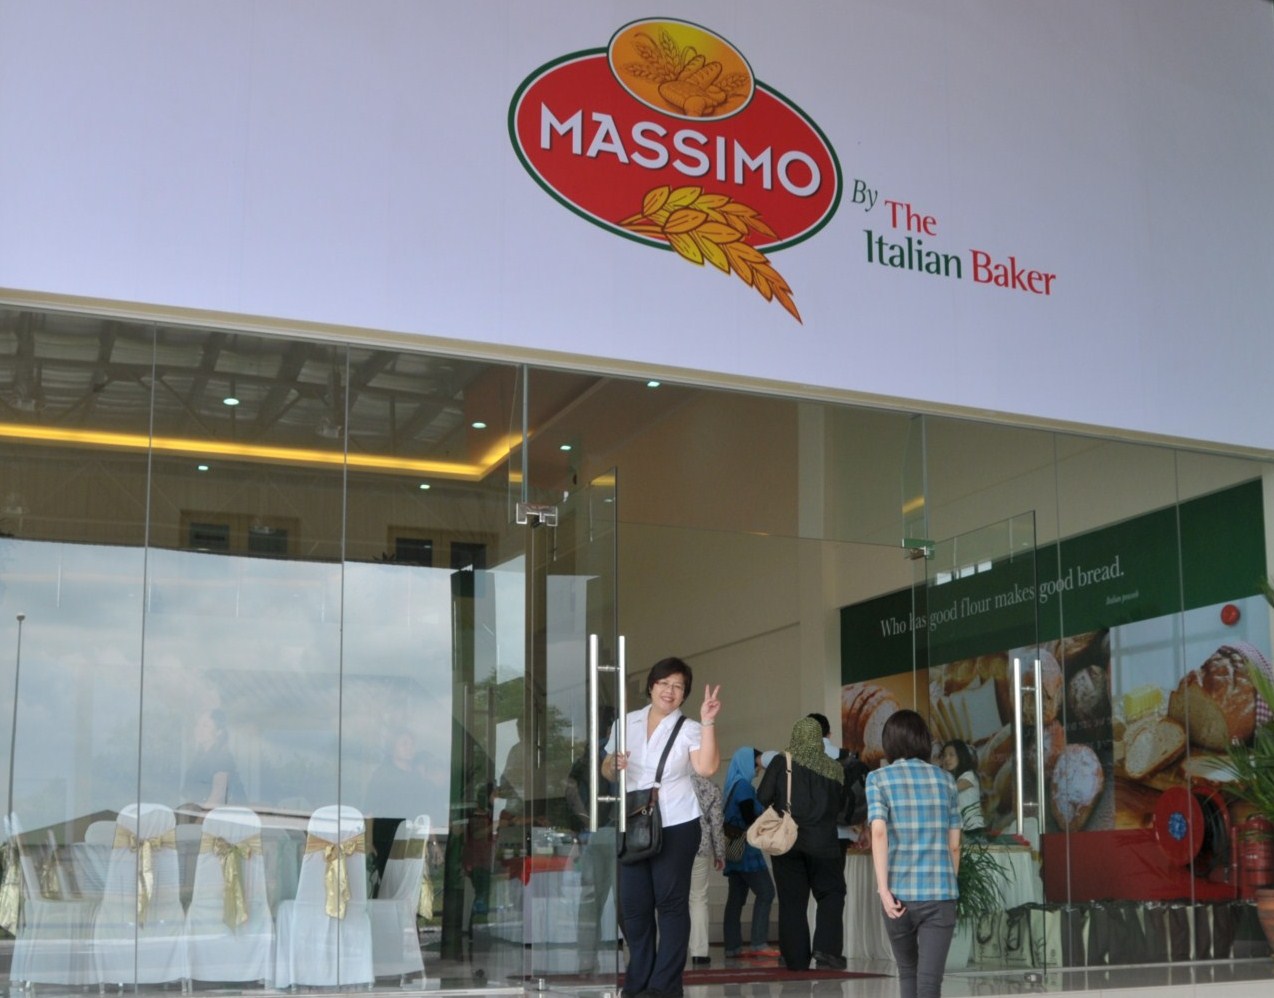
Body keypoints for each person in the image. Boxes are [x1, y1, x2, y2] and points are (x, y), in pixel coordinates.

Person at [602, 658, 721, 998]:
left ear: (685, 694)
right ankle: (638, 981)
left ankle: (664, 985)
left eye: (678, 686)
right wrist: (614, 764)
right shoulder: (626, 722)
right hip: (633, 823)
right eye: (664, 683)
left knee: (671, 905)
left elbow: (707, 768)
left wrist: (708, 722)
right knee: (633, 907)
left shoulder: (690, 728)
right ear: (651, 686)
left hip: (677, 823)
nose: (670, 691)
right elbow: (606, 769)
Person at [867, 710, 962, 998]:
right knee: (930, 983)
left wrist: (883, 890)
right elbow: (954, 844)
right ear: (924, 741)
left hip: (898, 896)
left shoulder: (878, 779)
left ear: (890, 742)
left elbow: (878, 832)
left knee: (907, 971)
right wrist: (948, 884)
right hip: (939, 893)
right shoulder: (946, 780)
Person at [756, 715, 847, 972]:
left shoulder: (780, 762)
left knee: (792, 902)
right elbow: (842, 808)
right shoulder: (834, 768)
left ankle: (795, 959)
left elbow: (762, 796)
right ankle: (827, 950)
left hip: (788, 842)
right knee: (831, 894)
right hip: (825, 844)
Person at [565, 707, 618, 974]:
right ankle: (636, 960)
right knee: (627, 901)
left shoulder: (584, 758)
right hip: (616, 832)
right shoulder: (615, 752)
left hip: (591, 835)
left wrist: (585, 821)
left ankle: (586, 959)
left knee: (589, 902)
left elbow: (570, 791)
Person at [720, 746, 777, 959]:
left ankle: (732, 947)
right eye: (756, 765)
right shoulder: (744, 786)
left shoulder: (733, 785)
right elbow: (749, 818)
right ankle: (759, 942)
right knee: (766, 892)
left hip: (733, 848)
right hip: (747, 851)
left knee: (736, 898)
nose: (758, 769)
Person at [366, 728, 429, 883]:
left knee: (410, 884)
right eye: (404, 744)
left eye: (412, 744)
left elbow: (422, 811)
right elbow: (370, 810)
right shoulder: (382, 774)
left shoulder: (417, 776)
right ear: (393, 748)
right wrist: (368, 841)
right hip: (387, 837)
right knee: (390, 884)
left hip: (412, 837)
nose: (409, 748)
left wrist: (429, 841)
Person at [688, 773, 725, 966]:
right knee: (698, 898)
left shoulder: (673, 781)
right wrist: (720, 853)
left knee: (672, 899)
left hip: (672, 849)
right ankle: (699, 951)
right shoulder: (710, 787)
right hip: (700, 847)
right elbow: (716, 823)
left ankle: (670, 949)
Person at [181, 707, 245, 809]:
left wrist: (201, 818)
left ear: (219, 731)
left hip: (215, 817)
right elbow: (190, 798)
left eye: (205, 726)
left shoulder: (222, 758)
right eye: (197, 724)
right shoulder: (199, 758)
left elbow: (217, 796)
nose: (198, 729)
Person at [940, 739, 986, 834]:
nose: (947, 759)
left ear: (961, 756)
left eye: (951, 755)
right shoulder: (953, 778)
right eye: (944, 755)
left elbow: (949, 790)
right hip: (961, 829)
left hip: (973, 829)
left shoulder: (969, 776)